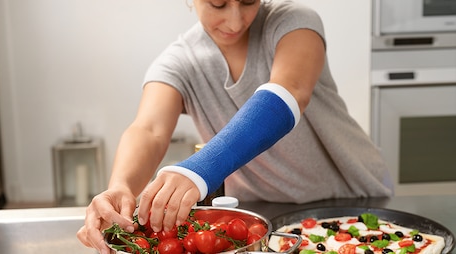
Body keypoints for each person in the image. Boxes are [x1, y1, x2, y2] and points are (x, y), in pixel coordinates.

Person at [77, 0, 394, 253]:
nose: (235, 21)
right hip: (265, 216)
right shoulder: (179, 62)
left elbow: (290, 92)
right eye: (218, 4)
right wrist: (121, 186)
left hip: (353, 200)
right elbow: (148, 130)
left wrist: (201, 167)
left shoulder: (294, 21)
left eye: (248, 1)